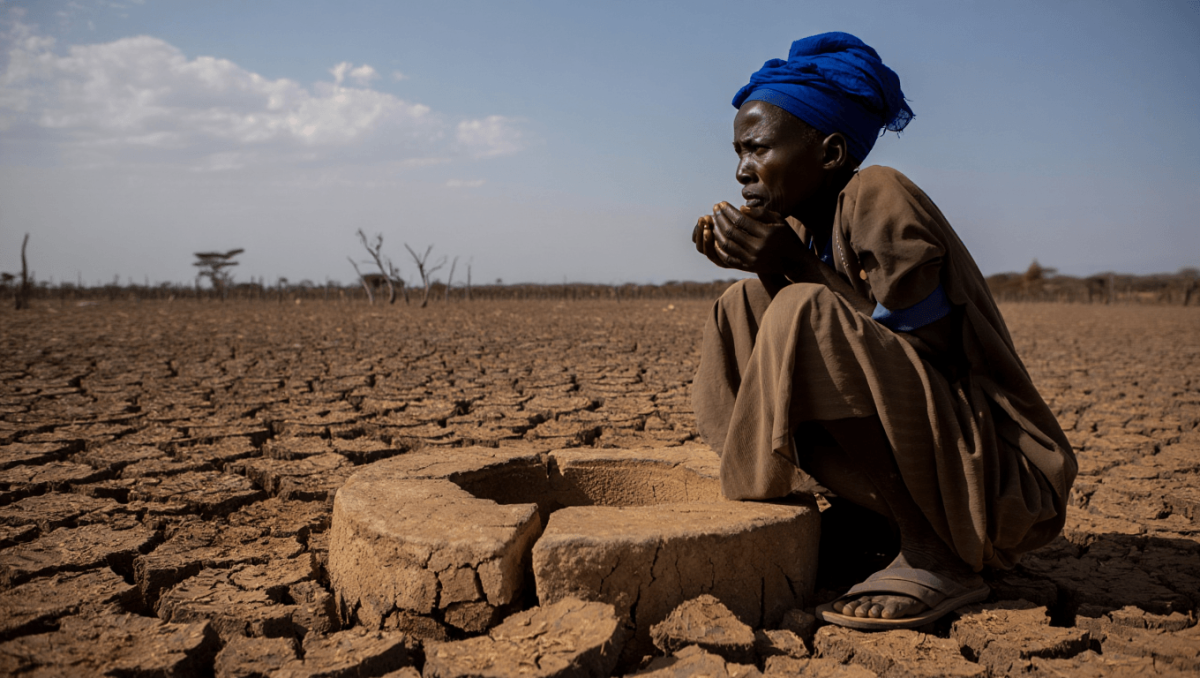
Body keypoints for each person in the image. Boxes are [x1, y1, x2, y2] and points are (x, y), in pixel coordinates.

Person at [690, 32, 1076, 630]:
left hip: (990, 474)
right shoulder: (805, 221)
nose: (742, 169)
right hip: (932, 453)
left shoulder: (878, 194)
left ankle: (938, 553)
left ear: (831, 152)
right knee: (742, 306)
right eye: (737, 151)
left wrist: (792, 264)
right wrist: (769, 267)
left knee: (803, 310)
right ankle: (868, 520)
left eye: (759, 148)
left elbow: (936, 355)